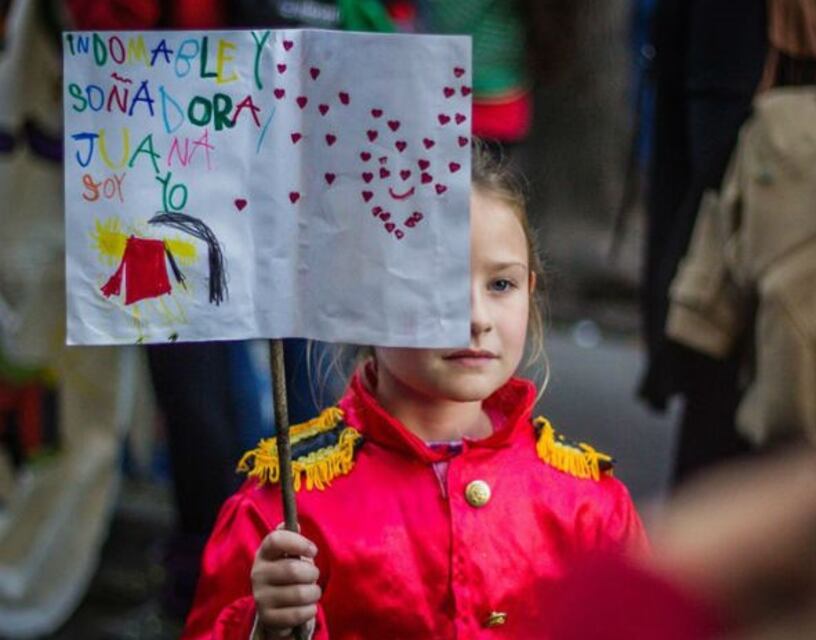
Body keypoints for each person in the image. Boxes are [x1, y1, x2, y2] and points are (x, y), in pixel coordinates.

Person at [180, 144, 649, 639]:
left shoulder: (586, 502)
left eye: (500, 285)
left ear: (531, 289)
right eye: (437, 285)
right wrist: (263, 627)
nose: (476, 318)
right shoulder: (286, 506)